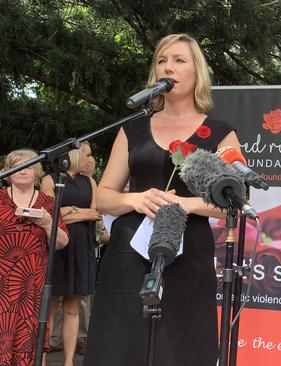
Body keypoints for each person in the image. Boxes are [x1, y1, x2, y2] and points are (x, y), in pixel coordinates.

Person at [82, 33, 241, 366]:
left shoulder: (219, 132)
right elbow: (103, 197)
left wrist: (184, 205)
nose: (168, 66)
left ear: (197, 72)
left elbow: (232, 200)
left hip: (188, 254)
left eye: (179, 60)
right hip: (128, 252)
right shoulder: (133, 129)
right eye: (161, 60)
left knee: (180, 346)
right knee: (122, 344)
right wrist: (137, 200)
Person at [0, 149, 69, 366]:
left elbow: (63, 242)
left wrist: (48, 223)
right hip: (2, 284)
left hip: (32, 286)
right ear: (7, 172)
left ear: (37, 172)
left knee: (28, 342)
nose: (23, 170)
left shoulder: (48, 202)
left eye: (28, 166)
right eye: (17, 166)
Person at [41, 141, 102, 366]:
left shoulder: (90, 182)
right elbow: (51, 216)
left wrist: (69, 210)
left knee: (73, 307)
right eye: (87, 154)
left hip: (82, 247)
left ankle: (69, 362)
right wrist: (77, 212)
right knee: (50, 307)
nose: (90, 159)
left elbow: (96, 214)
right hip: (57, 247)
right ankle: (42, 360)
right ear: (75, 155)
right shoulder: (51, 179)